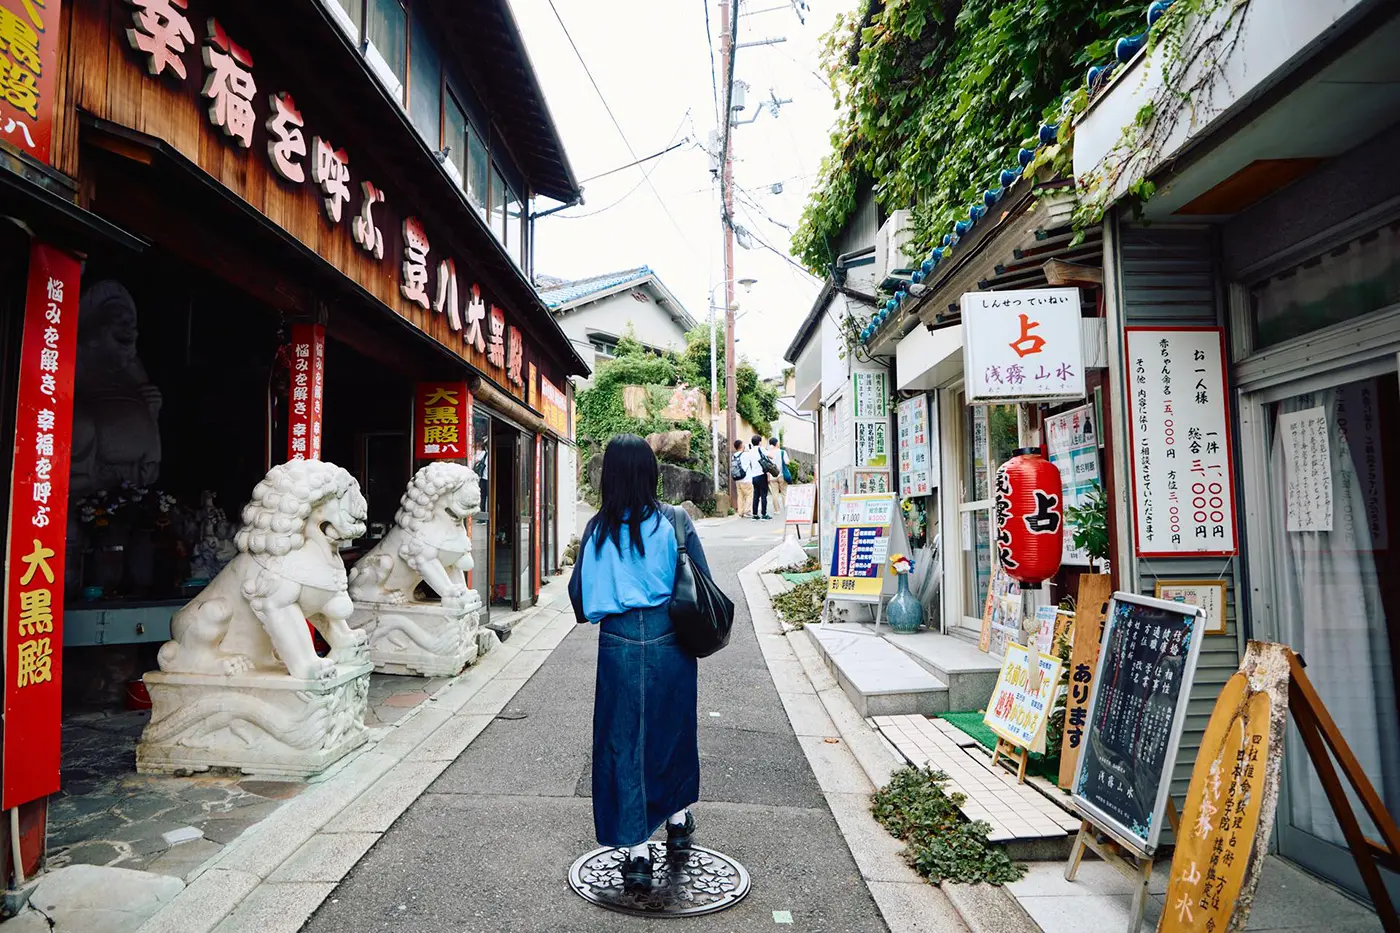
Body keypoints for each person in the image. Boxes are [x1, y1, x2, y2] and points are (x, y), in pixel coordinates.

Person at [568, 434, 713, 893]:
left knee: (623, 740)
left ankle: (635, 853)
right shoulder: (675, 521)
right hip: (672, 642)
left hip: (617, 642)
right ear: (652, 473)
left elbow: (579, 597)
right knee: (671, 731)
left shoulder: (596, 529)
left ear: (607, 477)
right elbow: (702, 583)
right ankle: (677, 818)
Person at [741, 434, 773, 520]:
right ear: (759, 442)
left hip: (753, 476)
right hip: (761, 475)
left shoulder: (750, 452)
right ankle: (764, 514)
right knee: (763, 495)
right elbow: (771, 456)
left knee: (756, 495)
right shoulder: (761, 449)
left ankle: (755, 514)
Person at [766, 436, 789, 516]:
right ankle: (786, 509)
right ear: (777, 443)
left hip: (772, 476)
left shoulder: (768, 453)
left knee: (774, 493)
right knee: (784, 492)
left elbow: (767, 465)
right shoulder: (782, 452)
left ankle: (776, 510)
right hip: (781, 475)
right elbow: (787, 462)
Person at [731, 439, 753, 517]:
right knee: (748, 495)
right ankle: (747, 511)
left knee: (740, 496)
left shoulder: (734, 455)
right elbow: (751, 457)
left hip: (738, 479)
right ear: (742, 446)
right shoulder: (746, 454)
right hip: (746, 479)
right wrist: (748, 449)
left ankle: (740, 512)